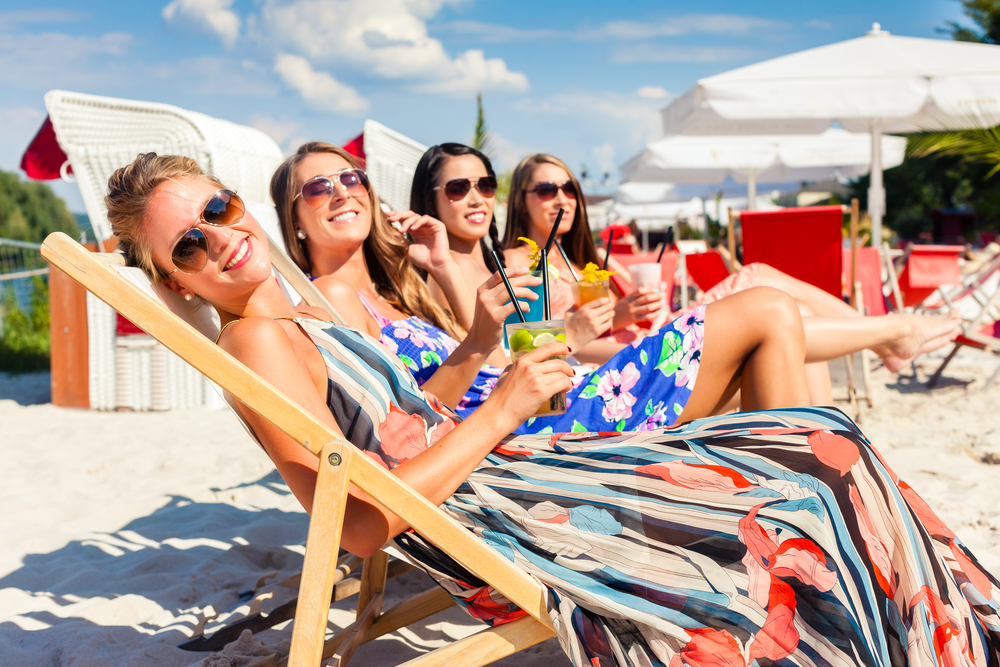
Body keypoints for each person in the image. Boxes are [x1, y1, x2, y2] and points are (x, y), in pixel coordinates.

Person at [108, 152, 1000, 667]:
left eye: (218, 208)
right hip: (494, 507)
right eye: (190, 240)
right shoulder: (254, 342)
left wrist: (489, 374)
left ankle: (930, 628)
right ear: (169, 276)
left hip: (498, 469)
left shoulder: (285, 314)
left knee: (814, 439)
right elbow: (360, 525)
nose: (220, 236)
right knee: (812, 454)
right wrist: (499, 410)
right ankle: (932, 635)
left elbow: (402, 423)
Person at [273, 141, 807, 432]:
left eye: (352, 179)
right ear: (294, 219)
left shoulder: (393, 289)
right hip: (537, 425)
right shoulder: (333, 299)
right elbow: (404, 423)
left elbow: (481, 352)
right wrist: (566, 335)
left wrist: (440, 265)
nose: (342, 192)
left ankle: (793, 503)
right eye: (319, 187)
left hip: (550, 398)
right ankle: (801, 511)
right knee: (767, 305)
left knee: (767, 312)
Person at [499, 152, 962, 403]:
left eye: (569, 188)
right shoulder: (520, 262)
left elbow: (640, 301)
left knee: (789, 309)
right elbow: (526, 345)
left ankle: (823, 423)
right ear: (521, 199)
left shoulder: (583, 255)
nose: (561, 196)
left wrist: (643, 303)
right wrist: (616, 320)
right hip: (624, 362)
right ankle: (887, 336)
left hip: (644, 337)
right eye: (546, 189)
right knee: (762, 284)